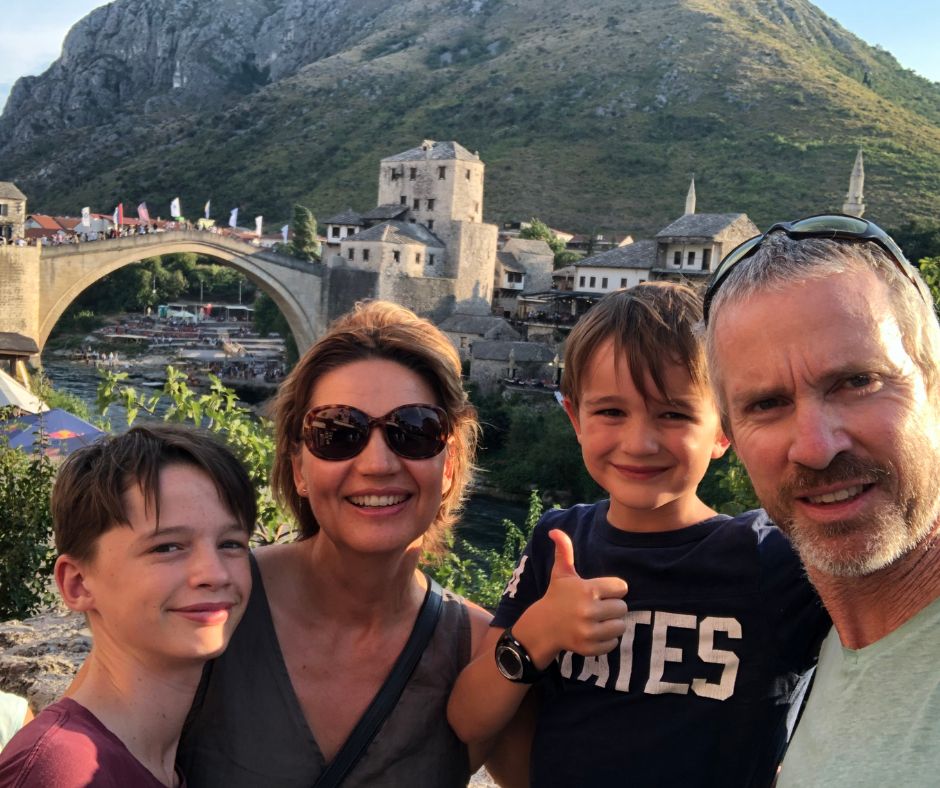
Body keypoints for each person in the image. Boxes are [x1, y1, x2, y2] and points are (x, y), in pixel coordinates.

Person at [448, 282, 830, 787]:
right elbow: (468, 722)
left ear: (724, 430)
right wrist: (538, 633)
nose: (640, 442)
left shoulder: (776, 558)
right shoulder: (558, 543)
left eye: (673, 414)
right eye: (610, 411)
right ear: (576, 419)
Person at [178, 300, 522, 787]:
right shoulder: (218, 601)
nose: (378, 463)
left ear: (448, 465)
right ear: (298, 468)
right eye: (338, 432)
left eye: (415, 430)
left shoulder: (481, 655)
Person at [702, 214, 940, 786]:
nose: (814, 447)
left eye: (857, 382)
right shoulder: (817, 655)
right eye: (765, 405)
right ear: (732, 439)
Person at [0, 424, 255, 787]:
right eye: (167, 547)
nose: (214, 574)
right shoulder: (61, 772)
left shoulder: (152, 759)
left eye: (231, 543)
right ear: (78, 584)